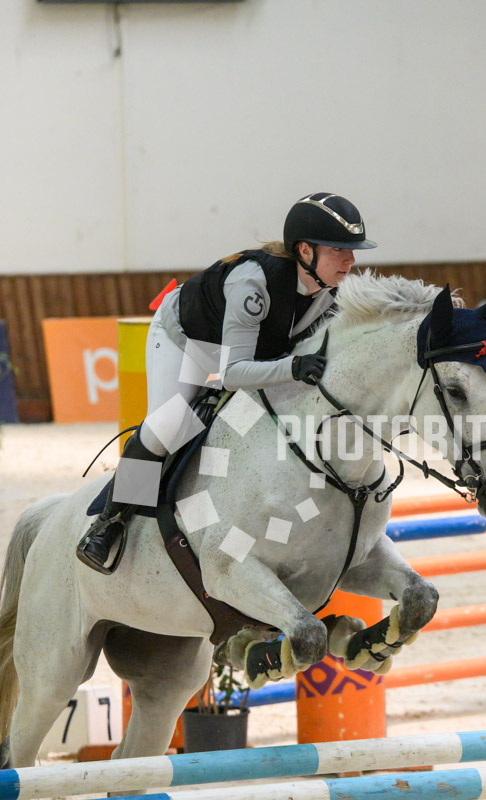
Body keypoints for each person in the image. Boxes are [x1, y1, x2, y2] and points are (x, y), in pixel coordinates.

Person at [77, 192, 377, 573]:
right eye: (339, 250)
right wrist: (294, 367)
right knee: (170, 422)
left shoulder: (332, 294)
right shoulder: (253, 284)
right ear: (305, 251)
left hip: (248, 351)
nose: (351, 260)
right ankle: (109, 521)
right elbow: (233, 374)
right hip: (188, 341)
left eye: (352, 250)